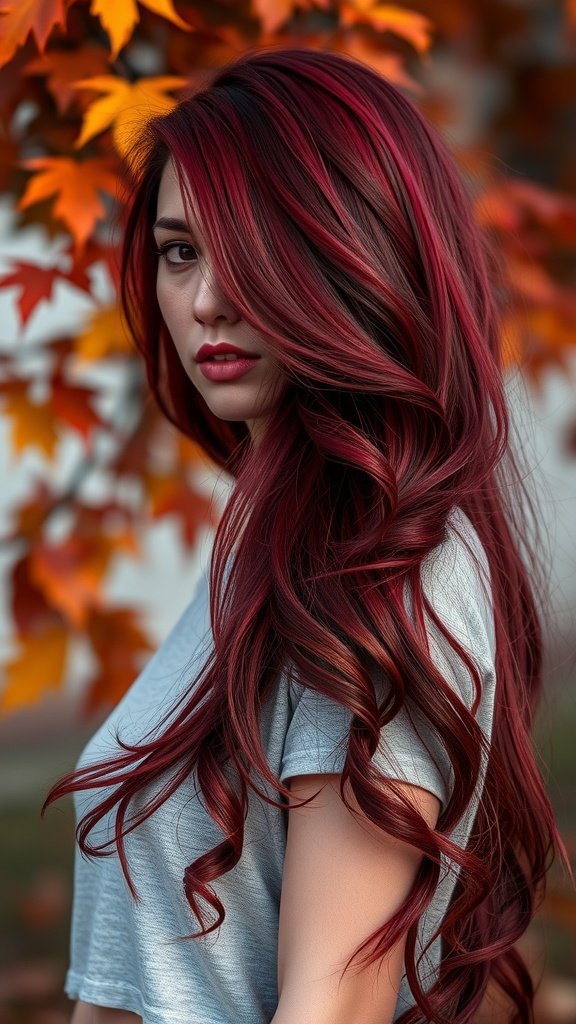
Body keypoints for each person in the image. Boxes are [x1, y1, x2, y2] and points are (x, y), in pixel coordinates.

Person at [45, 46, 564, 1024]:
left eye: (256, 244)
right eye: (179, 250)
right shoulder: (270, 538)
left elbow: (334, 1005)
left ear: (360, 250)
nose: (205, 301)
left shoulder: (383, 569)